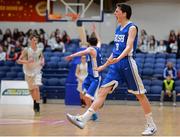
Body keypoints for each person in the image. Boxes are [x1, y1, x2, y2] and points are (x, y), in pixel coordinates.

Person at [66, 4, 157, 136]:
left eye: (117, 11)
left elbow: (129, 46)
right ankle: (83, 119)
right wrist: (104, 66)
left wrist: (119, 58)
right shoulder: (118, 29)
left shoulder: (132, 27)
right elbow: (114, 51)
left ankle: (151, 125)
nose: (114, 13)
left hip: (128, 64)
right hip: (116, 65)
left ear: (124, 13)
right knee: (102, 91)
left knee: (140, 95)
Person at [65, 24, 102, 120]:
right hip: (89, 77)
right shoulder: (98, 47)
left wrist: (71, 56)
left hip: (95, 77)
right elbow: (99, 40)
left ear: (89, 43)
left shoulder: (91, 49)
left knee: (88, 97)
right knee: (85, 96)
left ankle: (92, 113)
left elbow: (81, 53)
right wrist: (95, 30)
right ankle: (91, 112)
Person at [17, 33, 44, 115]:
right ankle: (35, 102)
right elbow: (19, 60)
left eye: (36, 40)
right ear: (30, 41)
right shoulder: (26, 50)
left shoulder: (39, 50)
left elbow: (42, 58)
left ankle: (37, 105)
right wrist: (27, 61)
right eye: (33, 40)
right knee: (32, 90)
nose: (35, 41)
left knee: (37, 88)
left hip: (37, 71)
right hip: (28, 71)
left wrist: (42, 62)